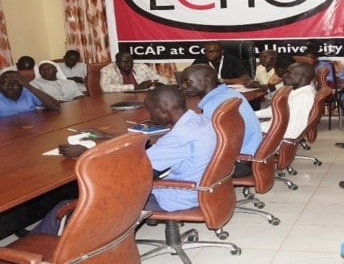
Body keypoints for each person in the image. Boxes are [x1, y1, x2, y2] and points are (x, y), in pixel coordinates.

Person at [30, 85, 218, 235]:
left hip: (178, 197)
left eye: (150, 111)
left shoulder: (180, 136)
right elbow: (151, 142)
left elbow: (135, 165)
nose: (149, 117)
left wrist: (87, 151)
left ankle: (38, 248)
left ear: (162, 110)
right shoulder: (198, 120)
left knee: (65, 205)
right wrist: (105, 137)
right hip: (203, 188)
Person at [180, 64, 262, 178]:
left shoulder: (215, 104)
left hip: (239, 162)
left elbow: (209, 143)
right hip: (252, 155)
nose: (183, 86)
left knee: (180, 165)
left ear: (206, 81)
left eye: (188, 81)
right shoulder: (229, 93)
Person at [255, 62, 316, 139]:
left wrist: (258, 130)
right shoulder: (296, 91)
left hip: (274, 135)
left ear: (301, 76)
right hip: (271, 128)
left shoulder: (303, 97)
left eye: (288, 73)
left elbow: (294, 131)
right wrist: (251, 114)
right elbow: (275, 110)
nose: (284, 75)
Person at [99, 51, 169, 93]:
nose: (128, 64)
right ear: (117, 62)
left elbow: (163, 79)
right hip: (118, 101)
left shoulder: (142, 67)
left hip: (141, 99)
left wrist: (159, 84)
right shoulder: (107, 70)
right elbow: (105, 87)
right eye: (125, 62)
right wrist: (135, 87)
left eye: (130, 62)